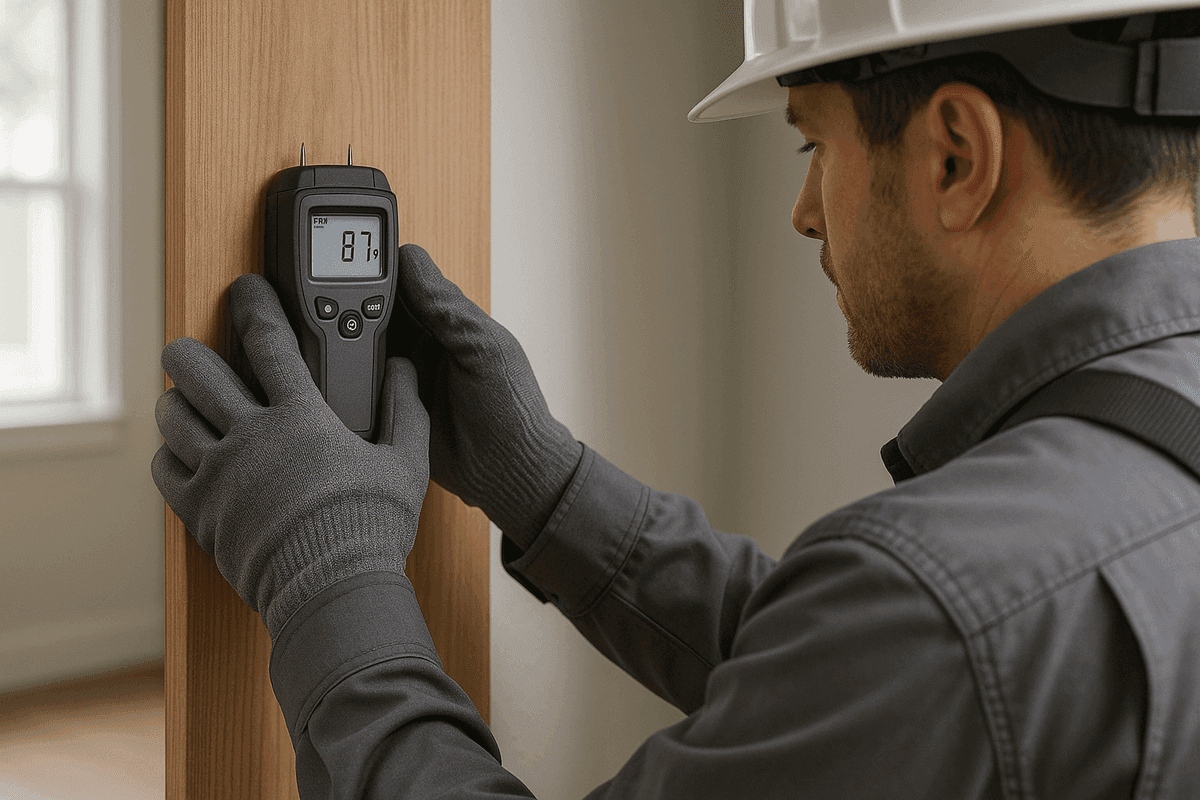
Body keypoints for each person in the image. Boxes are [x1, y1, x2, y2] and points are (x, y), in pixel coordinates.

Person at [152, 1, 1200, 796]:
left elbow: (921, 643)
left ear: (957, 155)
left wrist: (330, 572)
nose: (801, 210)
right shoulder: (1128, 471)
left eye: (812, 145)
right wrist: (553, 488)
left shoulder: (946, 608)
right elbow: (861, 679)